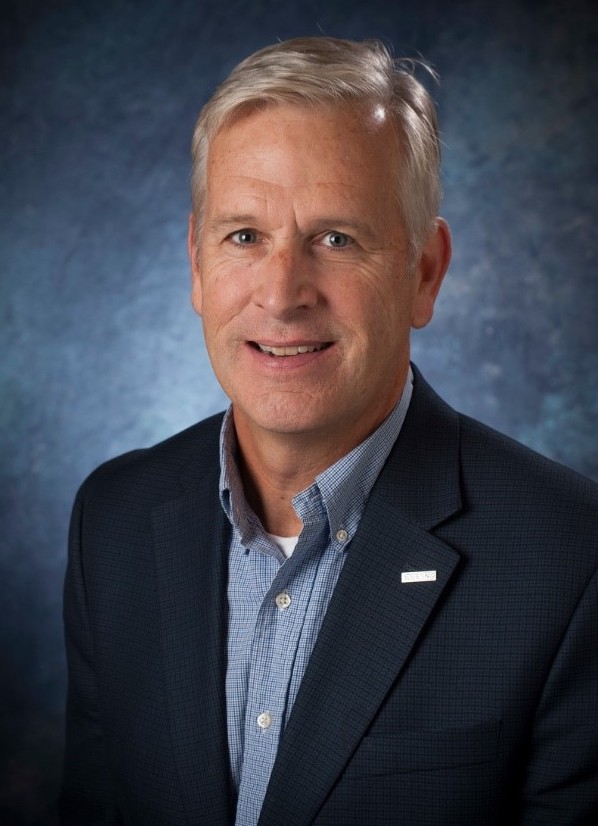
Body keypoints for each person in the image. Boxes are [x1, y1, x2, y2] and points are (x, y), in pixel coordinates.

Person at [59, 36, 598, 825]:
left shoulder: (568, 561)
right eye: (244, 236)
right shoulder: (112, 522)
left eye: (336, 239)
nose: (282, 294)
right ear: (197, 266)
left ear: (424, 273)